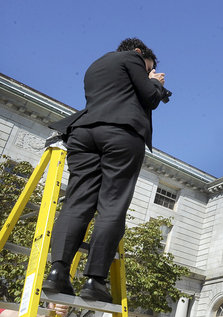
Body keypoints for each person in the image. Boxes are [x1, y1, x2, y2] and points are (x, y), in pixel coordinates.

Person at [44, 38, 168, 303]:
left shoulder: (96, 65)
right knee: (112, 205)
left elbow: (122, 93)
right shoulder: (131, 58)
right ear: (138, 52)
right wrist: (155, 82)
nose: (147, 71)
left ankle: (57, 272)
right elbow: (149, 97)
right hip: (120, 134)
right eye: (149, 67)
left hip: (84, 134)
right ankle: (95, 279)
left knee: (77, 202)